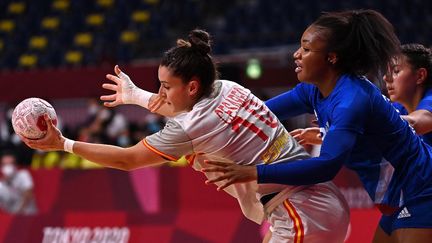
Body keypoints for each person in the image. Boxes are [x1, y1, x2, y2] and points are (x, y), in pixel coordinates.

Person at [21, 29, 349, 242]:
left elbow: (127, 159)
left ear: (192, 86)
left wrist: (62, 144)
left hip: (301, 215)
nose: (160, 94)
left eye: (165, 87)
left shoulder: (191, 127)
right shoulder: (227, 88)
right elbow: (190, 113)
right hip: (321, 203)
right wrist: (136, 96)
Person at [201, 10, 432, 243]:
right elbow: (258, 114)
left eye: (306, 49)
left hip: (423, 189)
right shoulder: (313, 90)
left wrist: (253, 173)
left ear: (331, 58)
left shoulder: (351, 101)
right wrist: (197, 116)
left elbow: (326, 166)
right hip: (399, 198)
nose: (296, 54)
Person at [384, 43, 432, 144]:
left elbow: (415, 123)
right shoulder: (399, 107)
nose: (386, 78)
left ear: (420, 76)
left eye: (396, 71)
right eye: (387, 72)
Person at [0, 151, 38, 215]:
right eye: (5, 164)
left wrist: (18, 211)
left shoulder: (23, 175)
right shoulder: (1, 185)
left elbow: (28, 194)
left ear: (15, 165)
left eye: (11, 164)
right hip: (10, 219)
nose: (8, 167)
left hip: (28, 215)